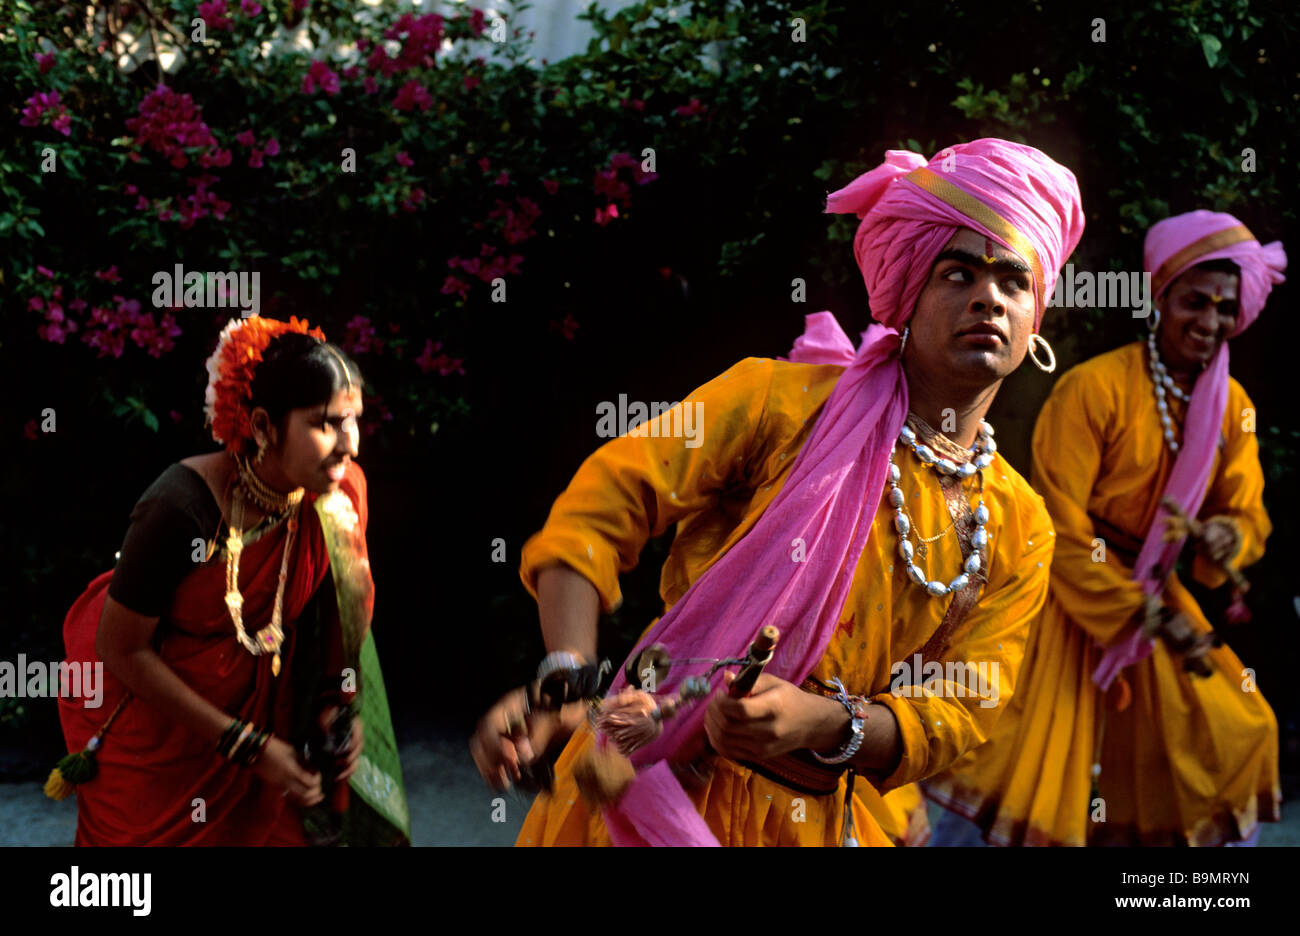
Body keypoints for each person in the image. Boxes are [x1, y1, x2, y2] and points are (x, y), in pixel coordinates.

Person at [471, 138, 1085, 846]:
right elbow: (604, 506)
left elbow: (962, 708)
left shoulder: (1021, 524)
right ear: (905, 294)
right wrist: (568, 679)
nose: (988, 297)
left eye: (1014, 281)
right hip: (641, 788)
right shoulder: (778, 405)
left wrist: (822, 724)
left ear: (1036, 318)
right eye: (956, 273)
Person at [924, 210, 1286, 846]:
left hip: (1150, 595)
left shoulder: (1233, 406)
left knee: (1238, 728)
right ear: (1159, 299)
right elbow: (1056, 526)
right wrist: (1138, 612)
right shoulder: (1093, 388)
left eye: (1224, 308)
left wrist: (1230, 535)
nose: (1209, 321)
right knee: (1022, 765)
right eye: (1193, 302)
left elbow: (1248, 511)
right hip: (1067, 593)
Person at [52, 315, 410, 846]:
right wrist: (245, 744)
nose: (349, 445)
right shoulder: (179, 507)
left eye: (354, 420)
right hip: (161, 732)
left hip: (266, 720)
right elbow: (119, 648)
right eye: (325, 424)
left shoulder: (337, 498)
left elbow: (334, 617)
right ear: (263, 426)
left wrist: (337, 704)